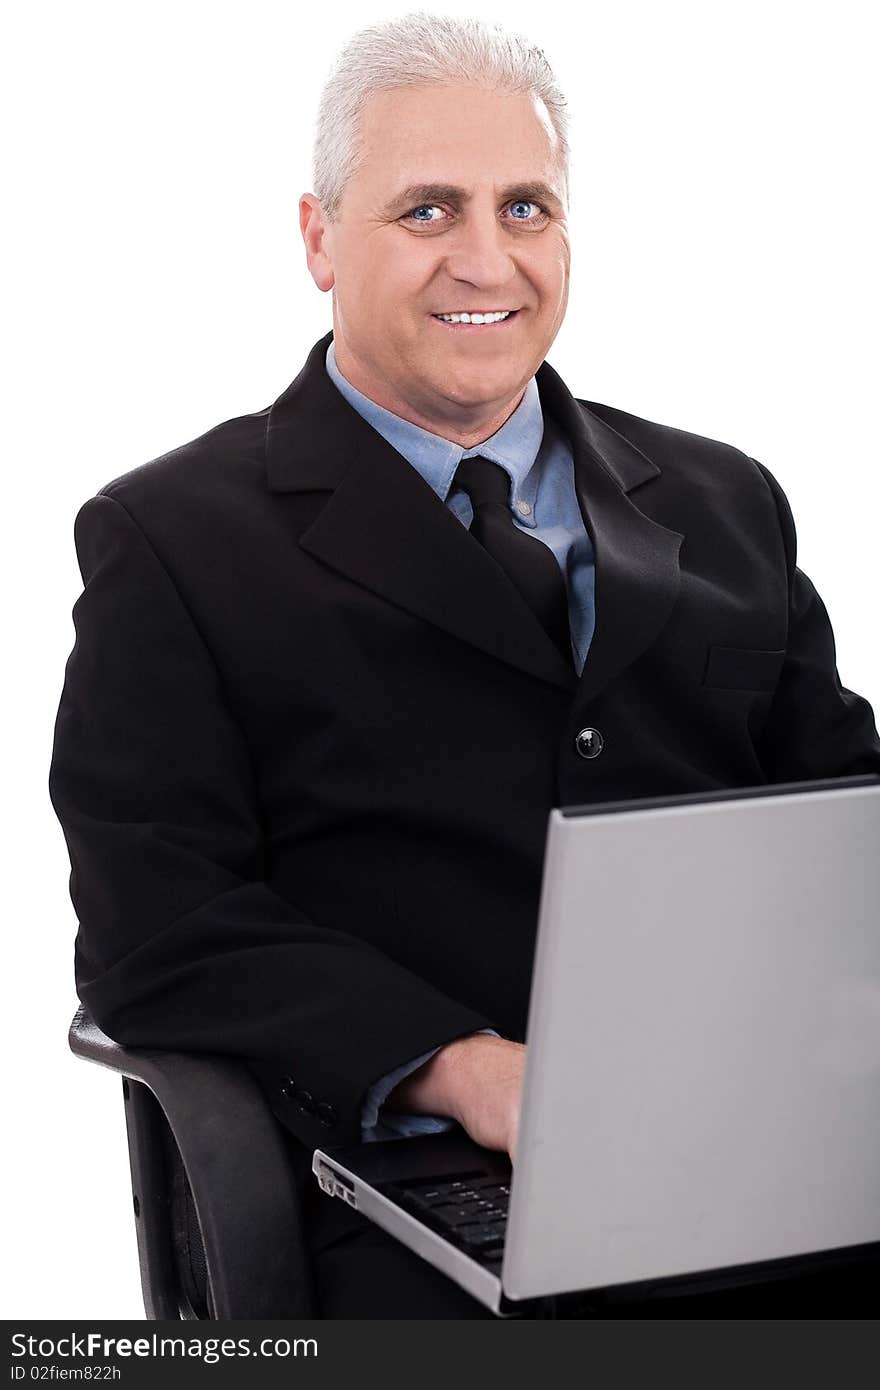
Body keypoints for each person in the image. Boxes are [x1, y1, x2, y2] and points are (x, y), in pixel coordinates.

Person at [48, 13, 880, 1319]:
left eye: (526, 206)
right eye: (427, 210)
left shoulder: (727, 499)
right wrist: (461, 1065)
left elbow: (846, 821)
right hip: (430, 1195)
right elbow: (157, 926)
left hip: (763, 1145)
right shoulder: (175, 539)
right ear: (319, 239)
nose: (485, 257)